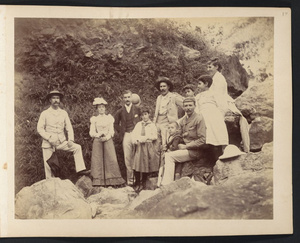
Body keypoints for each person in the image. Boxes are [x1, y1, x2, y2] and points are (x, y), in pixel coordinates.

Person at [37, 90, 88, 179]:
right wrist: (49, 138)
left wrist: (71, 139)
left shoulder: (63, 113)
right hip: (48, 143)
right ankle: (50, 184)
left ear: (60, 100)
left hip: (61, 142)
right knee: (49, 167)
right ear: (50, 100)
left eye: (57, 98)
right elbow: (40, 129)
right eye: (53, 98)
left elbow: (69, 127)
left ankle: (80, 170)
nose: (56, 100)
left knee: (77, 147)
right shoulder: (45, 113)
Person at [160, 97, 207, 186]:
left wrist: (186, 146)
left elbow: (202, 140)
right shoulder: (184, 120)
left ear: (195, 106)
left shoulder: (199, 119)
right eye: (185, 106)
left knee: (169, 156)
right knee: (166, 153)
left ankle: (166, 184)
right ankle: (165, 181)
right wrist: (168, 144)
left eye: (190, 105)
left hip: (195, 151)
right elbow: (178, 134)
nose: (188, 108)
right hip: (184, 149)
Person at [208, 59, 250, 152]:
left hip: (221, 101)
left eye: (210, 67)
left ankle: (222, 144)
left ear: (216, 67)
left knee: (216, 118)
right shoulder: (214, 78)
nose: (208, 69)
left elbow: (218, 95)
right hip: (215, 99)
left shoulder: (219, 78)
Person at [89, 97, 125, 187]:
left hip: (107, 139)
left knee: (111, 159)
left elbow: (112, 131)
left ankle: (113, 181)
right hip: (98, 140)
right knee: (97, 160)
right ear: (97, 109)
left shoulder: (109, 118)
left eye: (103, 107)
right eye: (99, 107)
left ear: (105, 108)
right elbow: (92, 132)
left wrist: (107, 137)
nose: (101, 109)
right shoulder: (94, 119)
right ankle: (98, 181)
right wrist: (99, 135)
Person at [195, 75, 228, 161]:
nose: (197, 86)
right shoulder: (198, 96)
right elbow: (196, 108)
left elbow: (222, 106)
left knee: (217, 134)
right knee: (207, 135)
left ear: (206, 84)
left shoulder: (214, 93)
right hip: (202, 116)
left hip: (214, 115)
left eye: (199, 84)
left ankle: (221, 156)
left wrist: (219, 117)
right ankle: (210, 159)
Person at [114, 90, 141, 186]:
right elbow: (115, 124)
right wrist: (121, 131)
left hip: (136, 134)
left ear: (131, 98)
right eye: (125, 97)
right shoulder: (120, 111)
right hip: (126, 134)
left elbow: (142, 121)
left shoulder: (137, 109)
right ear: (123, 99)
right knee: (127, 157)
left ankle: (139, 179)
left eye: (128, 97)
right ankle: (130, 180)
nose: (127, 99)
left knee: (137, 156)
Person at [131, 106, 159, 192]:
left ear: (149, 115)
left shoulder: (152, 125)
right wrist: (135, 140)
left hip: (147, 146)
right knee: (137, 163)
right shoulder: (139, 124)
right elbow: (134, 134)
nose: (144, 117)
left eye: (146, 114)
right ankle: (137, 182)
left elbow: (155, 136)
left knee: (145, 164)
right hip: (140, 146)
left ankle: (143, 182)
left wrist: (146, 137)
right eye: (142, 115)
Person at [153, 77, 183, 150]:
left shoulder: (173, 96)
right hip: (157, 122)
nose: (162, 88)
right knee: (156, 143)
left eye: (164, 86)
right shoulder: (159, 97)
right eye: (161, 86)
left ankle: (165, 160)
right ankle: (157, 161)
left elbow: (185, 104)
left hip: (168, 123)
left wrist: (180, 120)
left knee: (166, 143)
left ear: (168, 87)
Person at [157, 121, 184, 187]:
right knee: (164, 164)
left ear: (177, 129)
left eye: (172, 128)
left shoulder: (177, 137)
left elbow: (174, 147)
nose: (170, 129)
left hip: (177, 155)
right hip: (172, 155)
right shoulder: (171, 137)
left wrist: (168, 150)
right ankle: (160, 181)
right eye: (169, 128)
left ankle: (173, 182)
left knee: (177, 170)